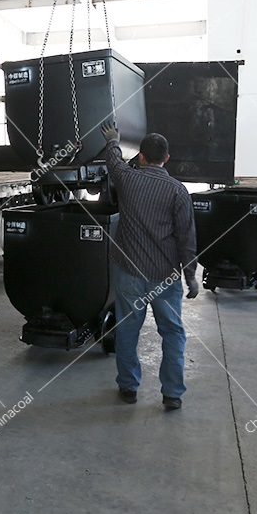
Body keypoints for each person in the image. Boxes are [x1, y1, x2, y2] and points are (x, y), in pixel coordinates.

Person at [100, 120, 198, 411]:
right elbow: (187, 238)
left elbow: (113, 162)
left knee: (128, 330)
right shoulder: (178, 191)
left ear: (141, 156)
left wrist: (112, 141)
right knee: (172, 333)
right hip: (165, 277)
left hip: (130, 274)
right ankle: (172, 394)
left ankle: (128, 387)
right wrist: (191, 275)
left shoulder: (128, 179)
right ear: (167, 158)